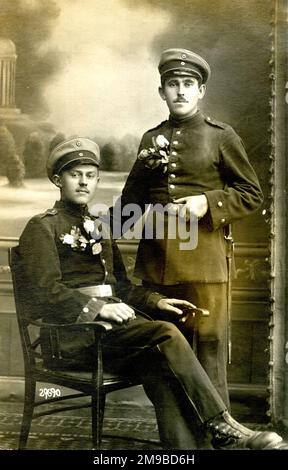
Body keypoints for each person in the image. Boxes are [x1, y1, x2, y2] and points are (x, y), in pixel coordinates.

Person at [16, 137, 283, 450]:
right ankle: (224, 424)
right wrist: (95, 308)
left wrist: (157, 301)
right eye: (75, 175)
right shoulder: (41, 227)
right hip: (71, 338)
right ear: (58, 180)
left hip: (108, 338)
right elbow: (44, 292)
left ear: (97, 180)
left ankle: (183, 452)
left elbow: (122, 289)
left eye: (90, 175)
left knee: (159, 365)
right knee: (166, 334)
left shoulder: (100, 227)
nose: (83, 182)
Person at [112, 48, 264, 409]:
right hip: (157, 268)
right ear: (162, 91)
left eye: (188, 84)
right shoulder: (151, 140)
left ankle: (215, 441)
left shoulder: (221, 136)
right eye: (172, 84)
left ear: (201, 91)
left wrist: (208, 203)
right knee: (164, 360)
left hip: (205, 270)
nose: (180, 91)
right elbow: (129, 206)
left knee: (207, 355)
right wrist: (88, 229)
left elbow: (251, 193)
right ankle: (176, 446)